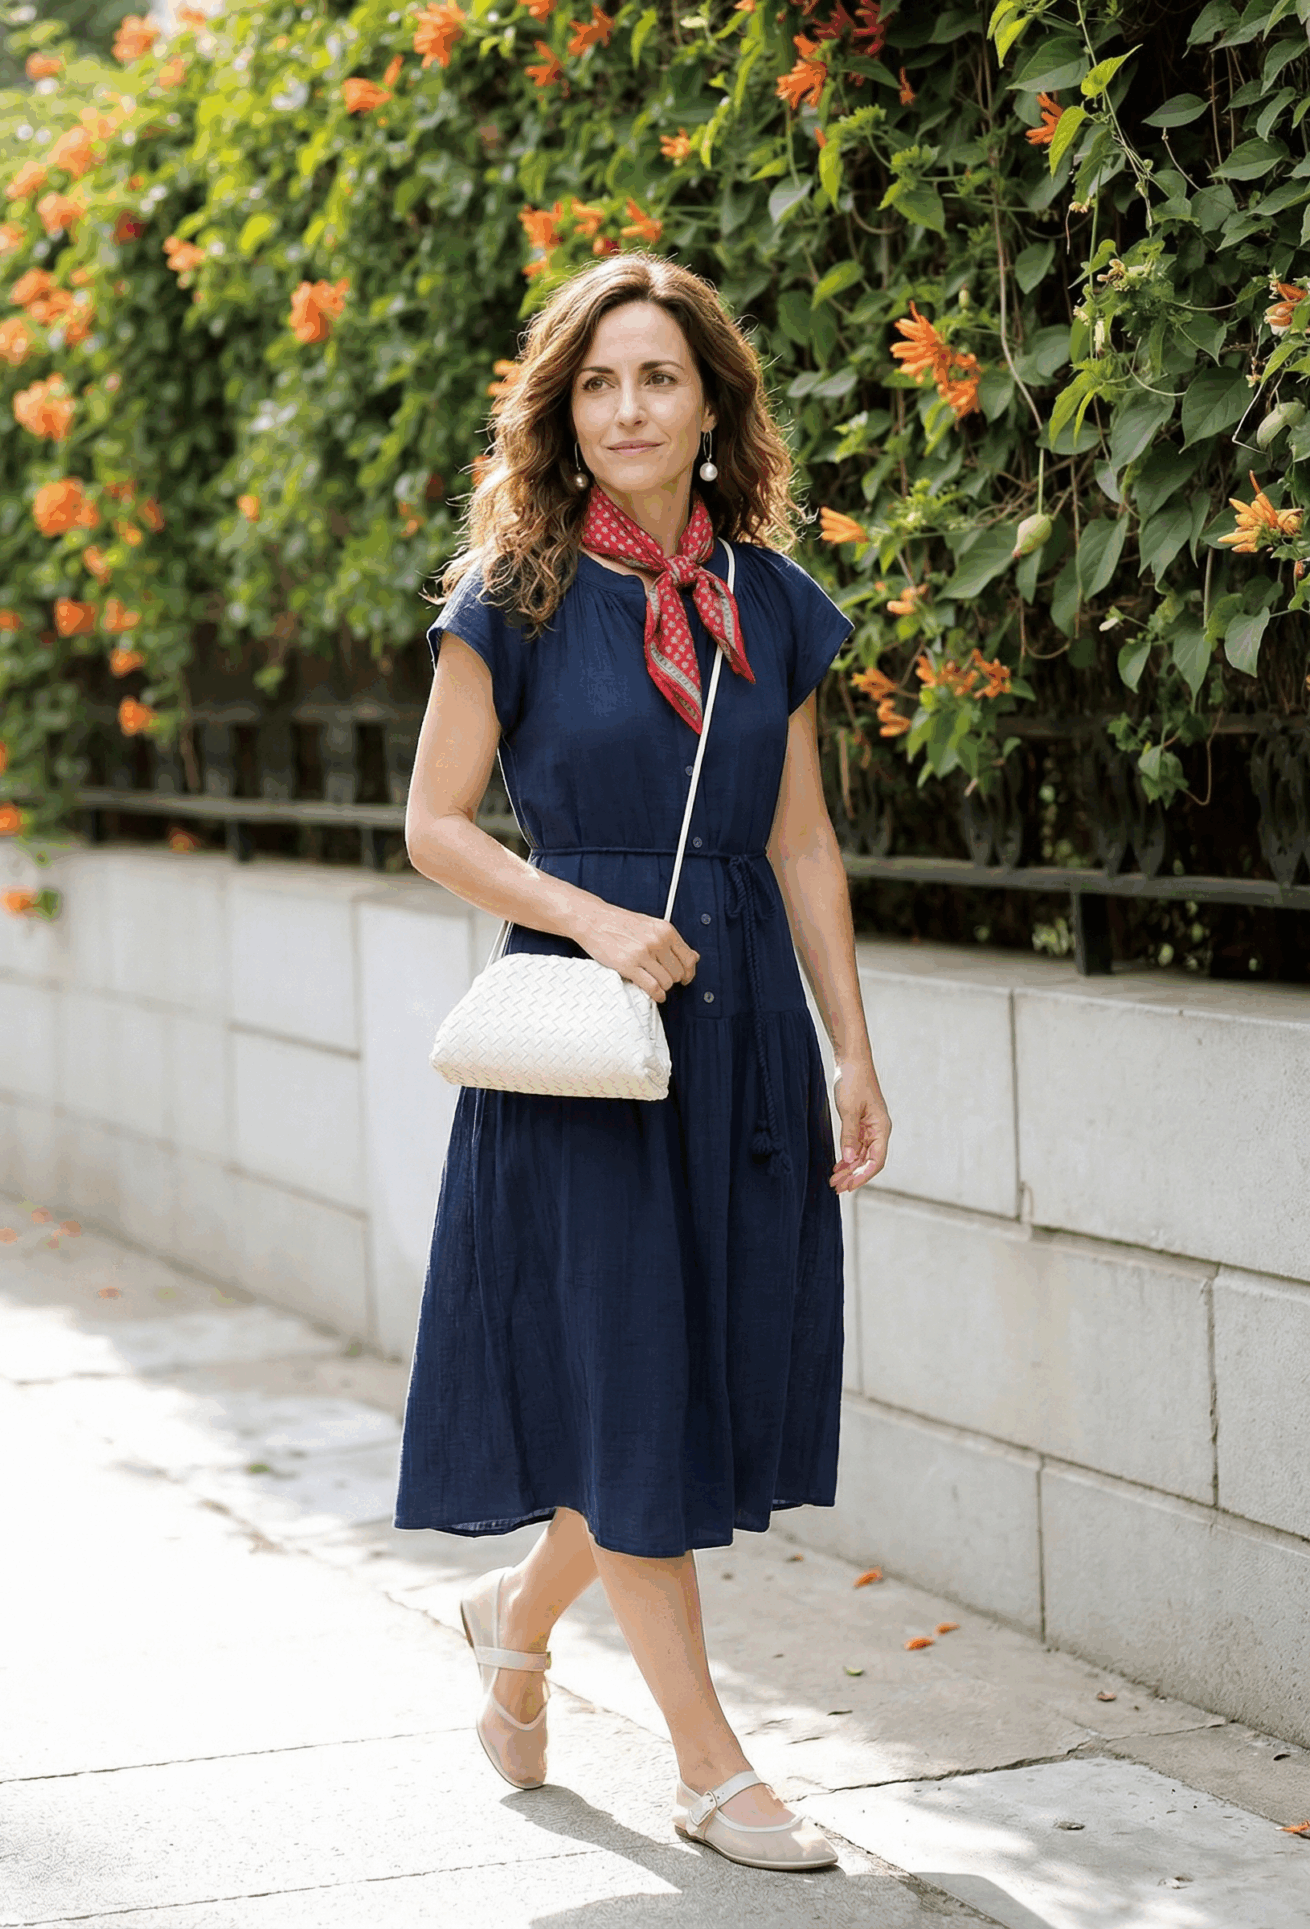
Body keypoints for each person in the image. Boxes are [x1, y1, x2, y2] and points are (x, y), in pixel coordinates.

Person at [395, 252, 891, 1873]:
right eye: (599, 382)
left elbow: (801, 842)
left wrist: (852, 1051)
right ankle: (708, 1767)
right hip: (591, 1044)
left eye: (658, 377)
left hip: (738, 1033)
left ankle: (512, 1616)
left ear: (710, 404)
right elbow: (436, 826)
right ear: (564, 411)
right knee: (629, 1383)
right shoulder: (514, 593)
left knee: (676, 1386)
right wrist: (592, 920)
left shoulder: (772, 601)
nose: (628, 408)